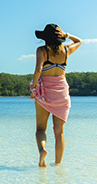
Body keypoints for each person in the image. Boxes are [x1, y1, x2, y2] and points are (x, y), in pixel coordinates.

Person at [30, 24, 82, 167]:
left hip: (45, 92)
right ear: (60, 38)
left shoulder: (41, 50)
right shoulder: (66, 50)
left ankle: (42, 150)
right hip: (61, 92)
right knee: (59, 133)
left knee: (40, 129)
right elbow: (79, 41)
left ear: (45, 38)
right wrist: (67, 35)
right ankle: (58, 166)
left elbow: (38, 69)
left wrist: (34, 88)